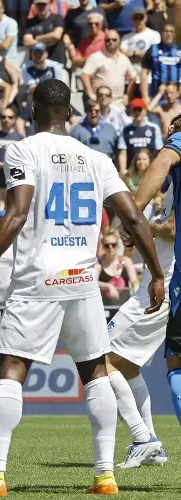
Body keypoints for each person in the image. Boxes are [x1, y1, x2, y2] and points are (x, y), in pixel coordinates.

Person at [0, 79, 164, 496]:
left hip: (37, 281)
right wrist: (154, 273)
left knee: (11, 370)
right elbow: (134, 218)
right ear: (70, 113)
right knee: (96, 372)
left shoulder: (23, 150)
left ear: (32, 110)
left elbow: (15, 214)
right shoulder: (97, 159)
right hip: (83, 282)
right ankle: (104, 475)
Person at [105, 180, 173, 468]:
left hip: (159, 290)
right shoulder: (173, 188)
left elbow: (171, 229)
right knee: (127, 365)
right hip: (154, 288)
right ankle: (152, 447)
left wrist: (143, 225)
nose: (171, 130)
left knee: (100, 358)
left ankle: (142, 437)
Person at [129, 114, 181, 460]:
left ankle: (144, 437)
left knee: (175, 360)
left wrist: (135, 215)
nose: (170, 131)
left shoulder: (173, 152)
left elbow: (163, 160)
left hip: (175, 279)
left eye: (175, 126)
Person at [97, 232, 139, 301]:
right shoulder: (98, 263)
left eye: (113, 245)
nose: (110, 247)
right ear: (103, 246)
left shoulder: (126, 261)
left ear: (118, 246)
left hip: (124, 304)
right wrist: (109, 286)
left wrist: (137, 295)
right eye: (107, 245)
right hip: (104, 305)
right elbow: (93, 282)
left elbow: (134, 281)